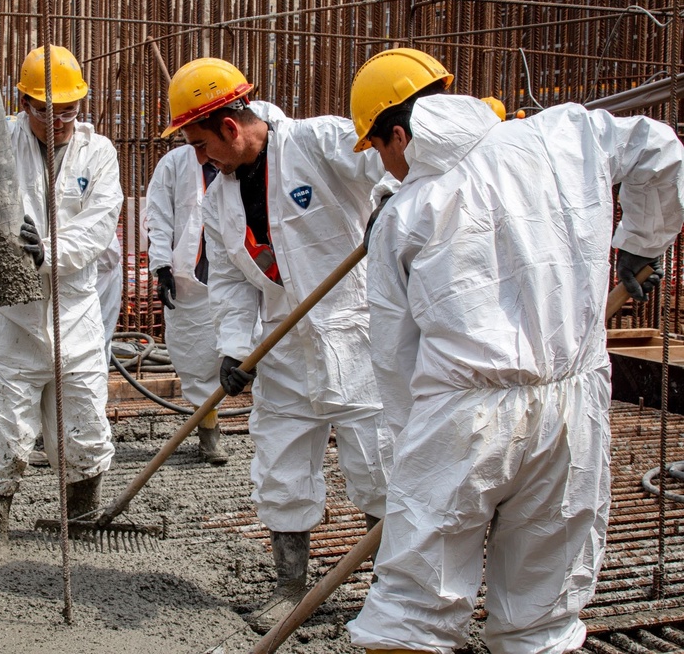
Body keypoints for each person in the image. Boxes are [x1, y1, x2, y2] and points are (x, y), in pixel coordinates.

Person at [345, 47, 684, 654]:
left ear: (399, 135)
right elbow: (660, 147)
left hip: (460, 415)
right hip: (572, 406)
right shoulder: (565, 133)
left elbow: (394, 358)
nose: (388, 170)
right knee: (543, 606)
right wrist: (642, 241)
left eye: (382, 154)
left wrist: (413, 461)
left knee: (413, 607)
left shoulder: (405, 213)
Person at [162, 57, 394, 632]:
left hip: (359, 335)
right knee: (281, 467)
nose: (200, 158)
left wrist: (392, 205)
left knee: (380, 466)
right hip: (283, 346)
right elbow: (234, 283)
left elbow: (392, 167)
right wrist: (235, 349)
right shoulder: (219, 200)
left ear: (229, 128)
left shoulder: (319, 142)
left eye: (200, 144)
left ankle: (392, 590)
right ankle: (290, 587)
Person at [0, 44, 123, 547]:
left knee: (84, 425)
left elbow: (101, 223)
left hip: (75, 311)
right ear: (23, 102)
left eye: (70, 109)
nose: (61, 120)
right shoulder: (1, 143)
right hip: (11, 316)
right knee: (2, 428)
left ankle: (81, 528)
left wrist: (49, 251)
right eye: (48, 110)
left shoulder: (97, 152)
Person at [145, 144, 230, 465]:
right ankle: (210, 435)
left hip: (241, 270)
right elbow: (158, 215)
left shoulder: (244, 155)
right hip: (191, 277)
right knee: (196, 357)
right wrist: (162, 266)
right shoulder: (175, 164)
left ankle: (275, 438)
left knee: (258, 354)